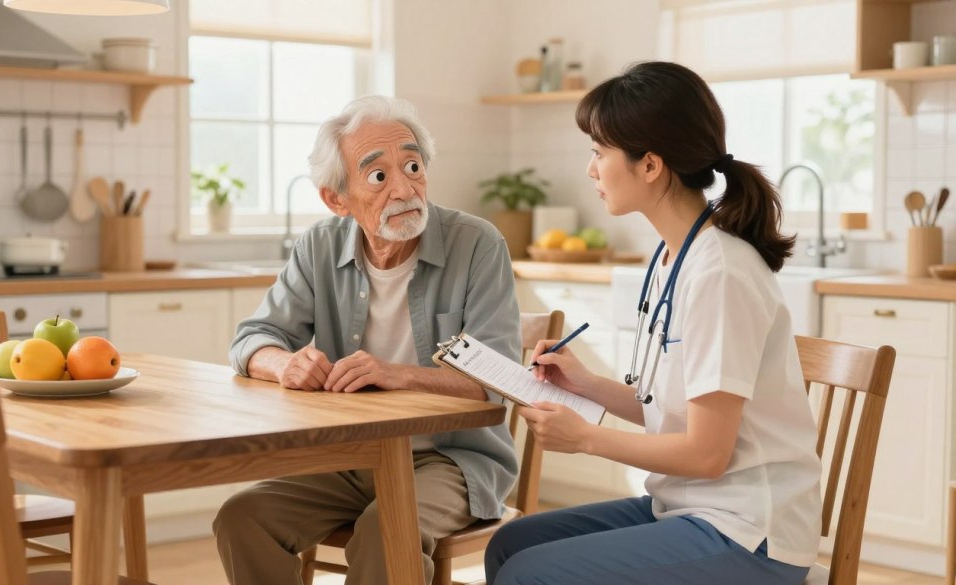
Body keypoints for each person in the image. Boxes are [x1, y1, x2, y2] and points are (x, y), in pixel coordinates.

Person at [485, 61, 822, 585]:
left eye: (599, 153)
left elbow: (708, 453)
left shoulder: (721, 272)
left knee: (531, 572)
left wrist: (584, 438)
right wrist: (587, 385)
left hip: (749, 531)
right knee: (511, 544)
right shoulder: (673, 257)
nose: (591, 170)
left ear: (650, 165)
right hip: (689, 508)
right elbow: (672, 413)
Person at [213, 95, 521, 585]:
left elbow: (500, 378)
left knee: (386, 527)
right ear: (338, 199)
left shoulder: (478, 244)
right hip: (350, 455)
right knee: (241, 518)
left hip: (453, 460)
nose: (403, 188)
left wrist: (396, 375)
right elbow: (254, 338)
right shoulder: (319, 245)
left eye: (413, 165)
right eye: (378, 176)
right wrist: (282, 364)